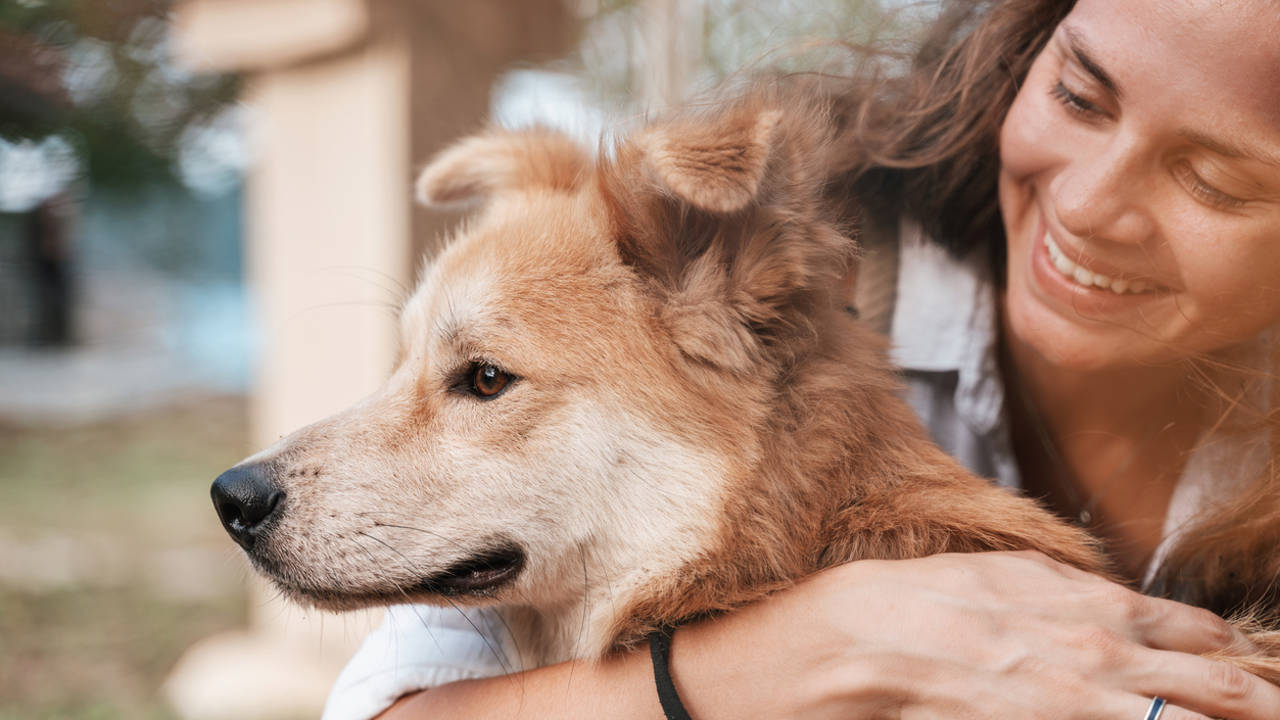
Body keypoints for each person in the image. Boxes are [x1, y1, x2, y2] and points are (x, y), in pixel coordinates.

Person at [324, 0, 1280, 717]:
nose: (1085, 207)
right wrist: (793, 651)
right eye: (1078, 94)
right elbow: (388, 703)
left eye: (1216, 179)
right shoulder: (777, 252)